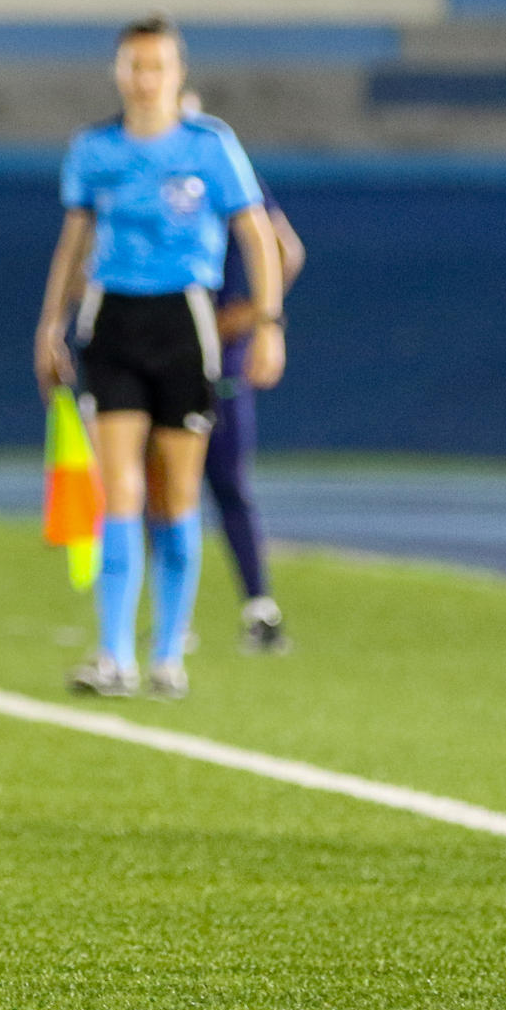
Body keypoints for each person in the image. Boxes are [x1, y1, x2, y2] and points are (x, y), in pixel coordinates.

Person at [35, 16, 285, 700]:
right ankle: (114, 654)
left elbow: (259, 237)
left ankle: (167, 654)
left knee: (176, 496)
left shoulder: (212, 147)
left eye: (157, 67)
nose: (145, 79)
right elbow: (74, 243)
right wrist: (50, 324)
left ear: (178, 75)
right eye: (134, 66)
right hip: (113, 320)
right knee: (120, 491)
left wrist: (267, 323)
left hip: (184, 322)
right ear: (119, 73)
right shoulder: (95, 150)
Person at [186, 90, 306, 653]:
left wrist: (254, 315)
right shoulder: (135, 164)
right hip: (161, 339)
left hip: (216, 350)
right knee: (160, 487)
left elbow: (284, 248)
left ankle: (260, 606)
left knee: (225, 480)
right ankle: (171, 623)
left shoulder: (218, 159)